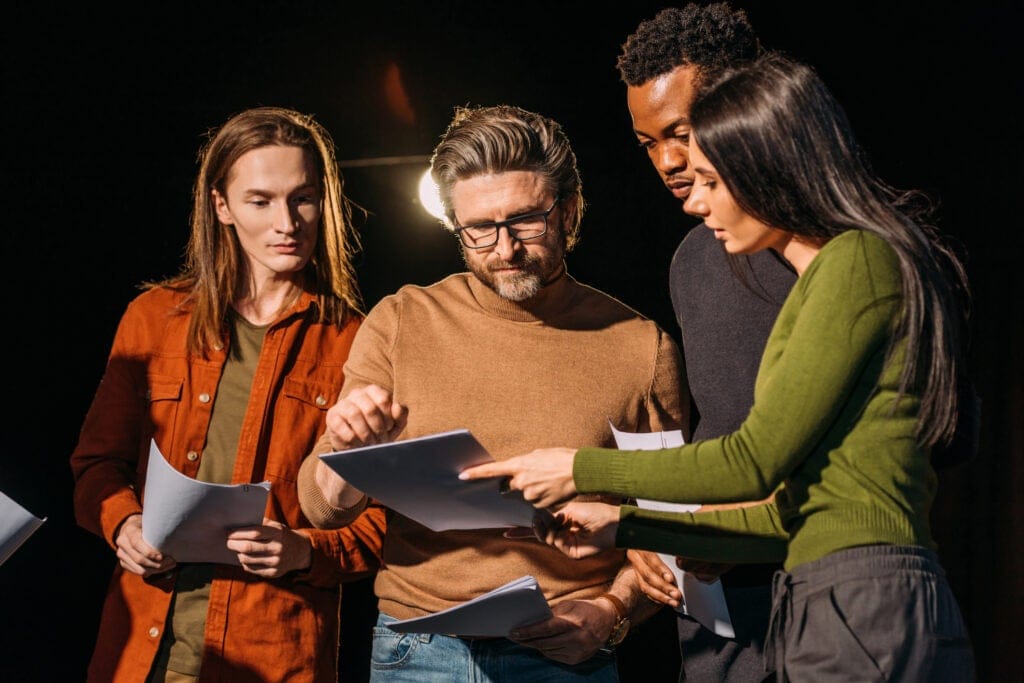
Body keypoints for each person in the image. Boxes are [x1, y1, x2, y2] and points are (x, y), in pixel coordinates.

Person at [462, 53, 976, 682]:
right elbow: (786, 515)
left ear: (764, 169)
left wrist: (576, 468)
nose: (691, 199)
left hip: (864, 598)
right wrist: (624, 526)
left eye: (710, 177)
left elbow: (751, 460)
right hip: (828, 596)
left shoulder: (857, 261)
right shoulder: (815, 279)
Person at [296, 103, 685, 681]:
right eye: (478, 229)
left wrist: (611, 611)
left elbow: (674, 522)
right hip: (415, 651)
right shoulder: (402, 319)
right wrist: (348, 450)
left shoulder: (639, 346)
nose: (504, 250)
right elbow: (321, 508)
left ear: (570, 210)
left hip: (565, 654)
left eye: (526, 220)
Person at [69, 106, 386, 682]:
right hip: (140, 651)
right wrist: (124, 526)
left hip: (274, 656)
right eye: (260, 201)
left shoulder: (360, 341)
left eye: (304, 198)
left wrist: (306, 552)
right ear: (222, 207)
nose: (287, 222)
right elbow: (95, 465)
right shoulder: (153, 318)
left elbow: (387, 518)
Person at [615, 4, 794, 681]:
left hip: (831, 584)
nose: (665, 160)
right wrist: (651, 532)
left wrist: (746, 519)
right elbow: (718, 431)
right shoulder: (692, 258)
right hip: (722, 619)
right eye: (646, 143)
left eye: (680, 131)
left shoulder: (842, 246)